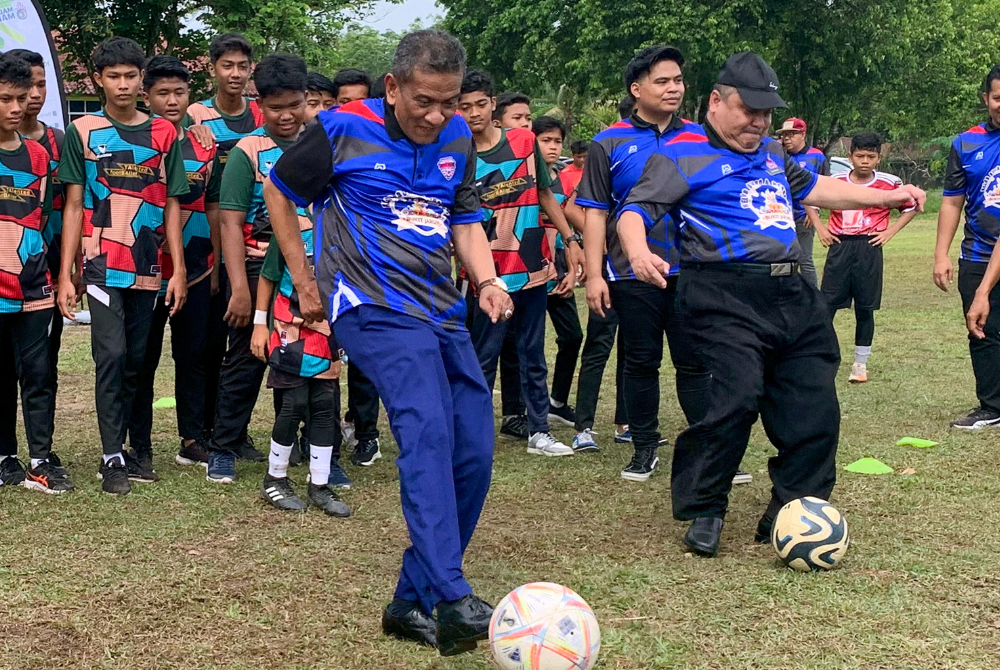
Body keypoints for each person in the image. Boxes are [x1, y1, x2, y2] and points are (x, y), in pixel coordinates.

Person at [262, 29, 513, 656]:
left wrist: (485, 279)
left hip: (442, 310)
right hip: (369, 305)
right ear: (394, 86)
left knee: (474, 448)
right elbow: (279, 190)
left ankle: (408, 602)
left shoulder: (457, 137)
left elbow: (463, 216)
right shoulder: (344, 127)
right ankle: (452, 595)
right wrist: (303, 277)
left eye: (449, 102)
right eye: (424, 101)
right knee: (425, 425)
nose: (437, 116)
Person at [619, 51, 925, 557]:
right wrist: (636, 250)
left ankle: (793, 508)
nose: (759, 123)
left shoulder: (772, 154)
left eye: (766, 114)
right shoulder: (681, 152)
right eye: (748, 111)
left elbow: (821, 188)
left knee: (814, 402)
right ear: (717, 101)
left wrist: (885, 199)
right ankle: (705, 507)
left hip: (790, 292)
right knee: (735, 397)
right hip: (722, 292)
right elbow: (636, 210)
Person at [57, 36, 189, 495]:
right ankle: (111, 455)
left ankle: (135, 449)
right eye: (113, 76)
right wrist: (65, 272)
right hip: (99, 263)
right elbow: (73, 204)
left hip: (148, 262)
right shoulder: (84, 130)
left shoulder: (165, 133)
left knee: (137, 359)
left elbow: (173, 204)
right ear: (98, 80)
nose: (123, 84)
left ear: (141, 79)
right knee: (110, 355)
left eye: (131, 75)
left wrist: (179, 270)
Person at [579, 45, 714, 481]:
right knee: (640, 361)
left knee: (696, 362)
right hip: (630, 271)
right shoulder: (608, 142)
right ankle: (643, 447)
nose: (674, 88)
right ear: (637, 90)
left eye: (678, 80)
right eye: (662, 81)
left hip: (693, 268)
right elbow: (595, 211)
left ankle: (709, 452)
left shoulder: (700, 137)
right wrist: (595, 273)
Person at [459, 72, 583, 457]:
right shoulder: (458, 154)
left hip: (532, 264)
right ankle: (473, 436)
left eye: (480, 104)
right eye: (464, 107)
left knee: (533, 352)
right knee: (484, 356)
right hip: (487, 276)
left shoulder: (524, 141)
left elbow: (545, 193)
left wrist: (570, 239)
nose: (474, 113)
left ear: (493, 104)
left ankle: (539, 430)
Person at [206, 53, 308, 484]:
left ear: (306, 99)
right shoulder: (247, 150)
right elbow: (229, 222)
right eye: (274, 107)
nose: (285, 116)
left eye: (293, 105)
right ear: (258, 103)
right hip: (254, 269)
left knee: (309, 362)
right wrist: (239, 290)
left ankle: (311, 445)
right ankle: (223, 448)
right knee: (247, 361)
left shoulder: (323, 145)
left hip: (309, 272)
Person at [126, 55, 221, 479]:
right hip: (143, 268)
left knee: (195, 355)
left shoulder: (205, 144)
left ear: (189, 96)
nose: (171, 100)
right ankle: (138, 445)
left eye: (179, 92)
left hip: (197, 267)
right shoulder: (135, 141)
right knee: (141, 360)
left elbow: (216, 204)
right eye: (162, 93)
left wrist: (217, 263)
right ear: (146, 96)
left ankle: (192, 439)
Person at [249, 181, 350, 516]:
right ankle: (275, 478)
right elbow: (268, 276)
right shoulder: (290, 225)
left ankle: (319, 484)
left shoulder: (348, 224)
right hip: (288, 328)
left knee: (324, 404)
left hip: (327, 330)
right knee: (293, 403)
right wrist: (259, 324)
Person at [187, 33, 265, 462]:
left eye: (242, 66)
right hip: (209, 241)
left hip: (256, 245)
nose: (235, 74)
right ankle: (202, 431)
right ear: (214, 69)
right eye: (227, 66)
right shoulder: (196, 115)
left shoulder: (262, 114)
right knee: (211, 344)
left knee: (246, 346)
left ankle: (235, 431)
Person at [0, 53, 71, 493]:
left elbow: (43, 221)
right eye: (5, 98)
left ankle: (41, 458)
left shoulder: (40, 156)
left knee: (40, 372)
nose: (15, 107)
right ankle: (5, 455)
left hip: (34, 285)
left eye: (21, 98)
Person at [814, 132, 917, 383]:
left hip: (869, 246)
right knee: (826, 306)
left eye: (871, 156)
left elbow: (911, 206)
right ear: (850, 157)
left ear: (879, 158)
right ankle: (819, 360)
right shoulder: (835, 180)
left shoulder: (889, 182)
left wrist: (890, 232)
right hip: (839, 245)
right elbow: (810, 198)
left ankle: (860, 364)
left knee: (865, 308)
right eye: (860, 155)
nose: (865, 161)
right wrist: (820, 226)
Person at [935, 63, 1000, 429]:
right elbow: (950, 201)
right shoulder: (966, 143)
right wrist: (941, 253)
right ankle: (992, 406)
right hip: (977, 252)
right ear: (985, 98)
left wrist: (985, 289)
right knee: (982, 328)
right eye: (997, 98)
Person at [533, 115, 584, 428]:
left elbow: (567, 227)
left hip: (561, 269)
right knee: (529, 343)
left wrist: (571, 267)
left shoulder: (564, 178)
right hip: (531, 269)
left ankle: (557, 402)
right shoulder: (524, 178)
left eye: (556, 141)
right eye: (545, 141)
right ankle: (526, 408)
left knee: (573, 335)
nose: (552, 147)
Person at [776, 117, 829, 287]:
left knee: (804, 258)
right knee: (780, 258)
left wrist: (815, 208)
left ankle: (811, 295)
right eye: (784, 135)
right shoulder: (778, 155)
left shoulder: (816, 156)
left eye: (792, 134)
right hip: (780, 216)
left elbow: (825, 184)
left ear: (803, 134)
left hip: (803, 215)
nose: (787, 139)